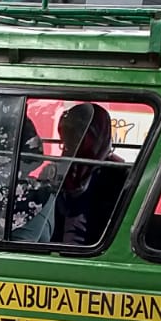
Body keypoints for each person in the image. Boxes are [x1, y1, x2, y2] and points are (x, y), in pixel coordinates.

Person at [54, 103, 126, 246]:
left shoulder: (117, 174)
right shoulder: (60, 168)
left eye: (77, 134)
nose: (69, 141)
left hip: (94, 249)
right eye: (67, 133)